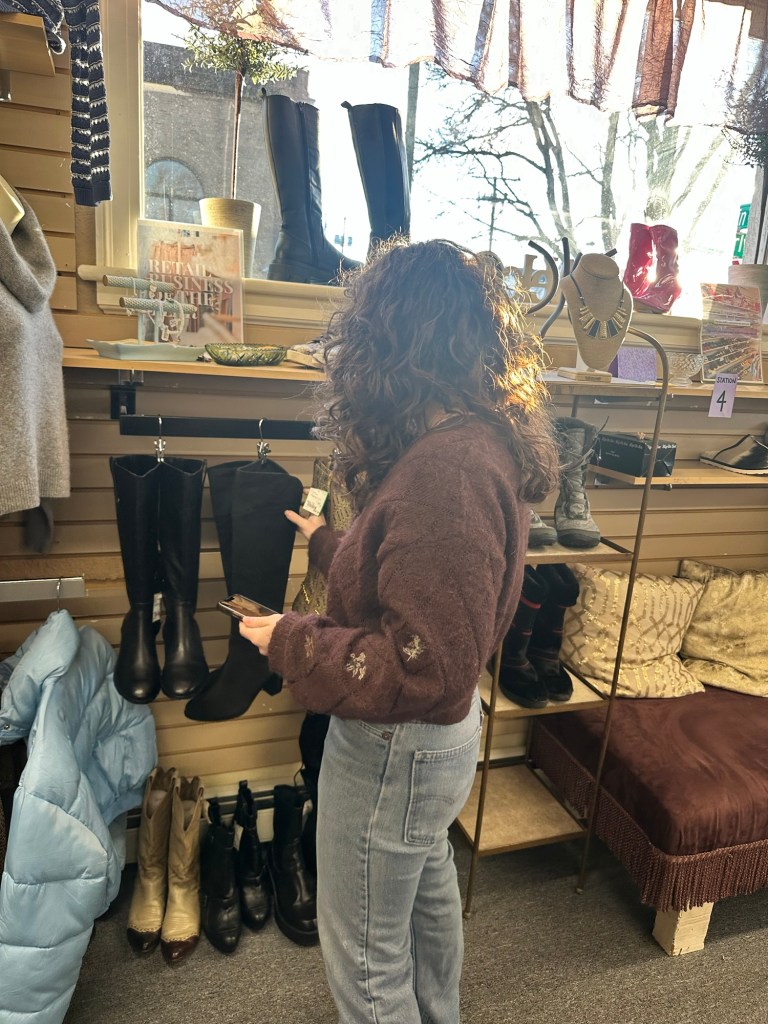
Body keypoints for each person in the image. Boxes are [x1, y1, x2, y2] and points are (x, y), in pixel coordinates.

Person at [240, 238, 559, 1024]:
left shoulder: (447, 473)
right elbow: (420, 588)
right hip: (436, 742)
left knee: (366, 960)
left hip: (396, 747)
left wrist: (292, 641)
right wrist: (328, 543)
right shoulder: (477, 440)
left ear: (392, 342)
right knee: (423, 890)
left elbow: (419, 666)